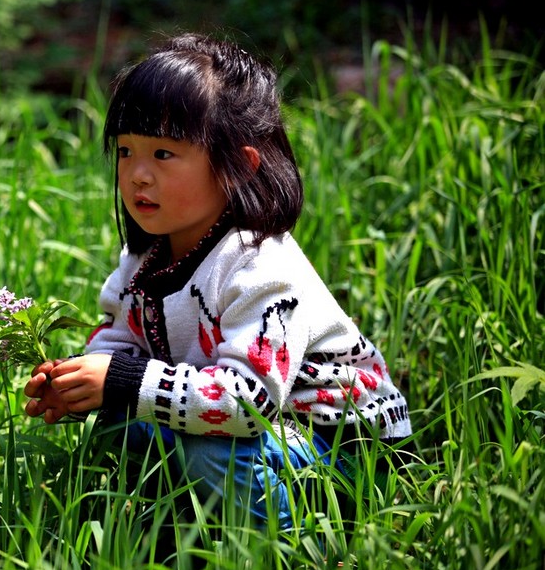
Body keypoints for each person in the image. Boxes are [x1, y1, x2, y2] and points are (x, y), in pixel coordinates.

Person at [23, 33, 412, 527]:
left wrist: (123, 380)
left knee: (212, 453)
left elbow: (246, 404)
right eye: (125, 151)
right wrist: (84, 379)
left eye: (163, 154)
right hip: (247, 426)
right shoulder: (144, 256)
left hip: (340, 443)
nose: (138, 174)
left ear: (238, 167)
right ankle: (167, 523)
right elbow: (120, 336)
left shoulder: (261, 267)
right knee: (119, 424)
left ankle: (280, 546)